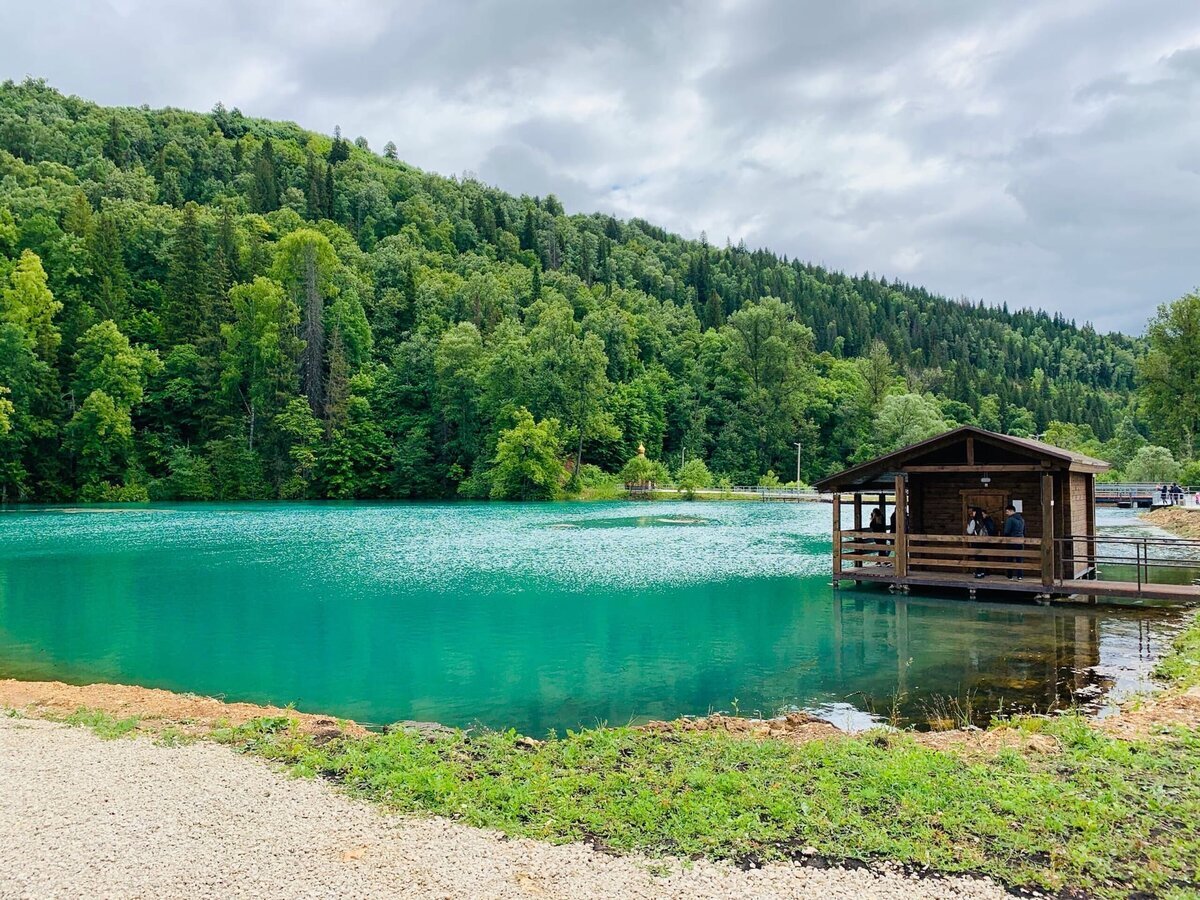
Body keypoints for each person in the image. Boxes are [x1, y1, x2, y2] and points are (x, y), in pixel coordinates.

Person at [1002, 503, 1025, 579]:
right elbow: (1024, 531)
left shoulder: (1010, 519)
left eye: (1007, 511)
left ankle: (1009, 576)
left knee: (1010, 558)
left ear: (1011, 511)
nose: (1006, 513)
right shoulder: (1022, 519)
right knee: (1019, 559)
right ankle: (1020, 576)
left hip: (1011, 541)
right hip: (1020, 540)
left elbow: (1006, 531)